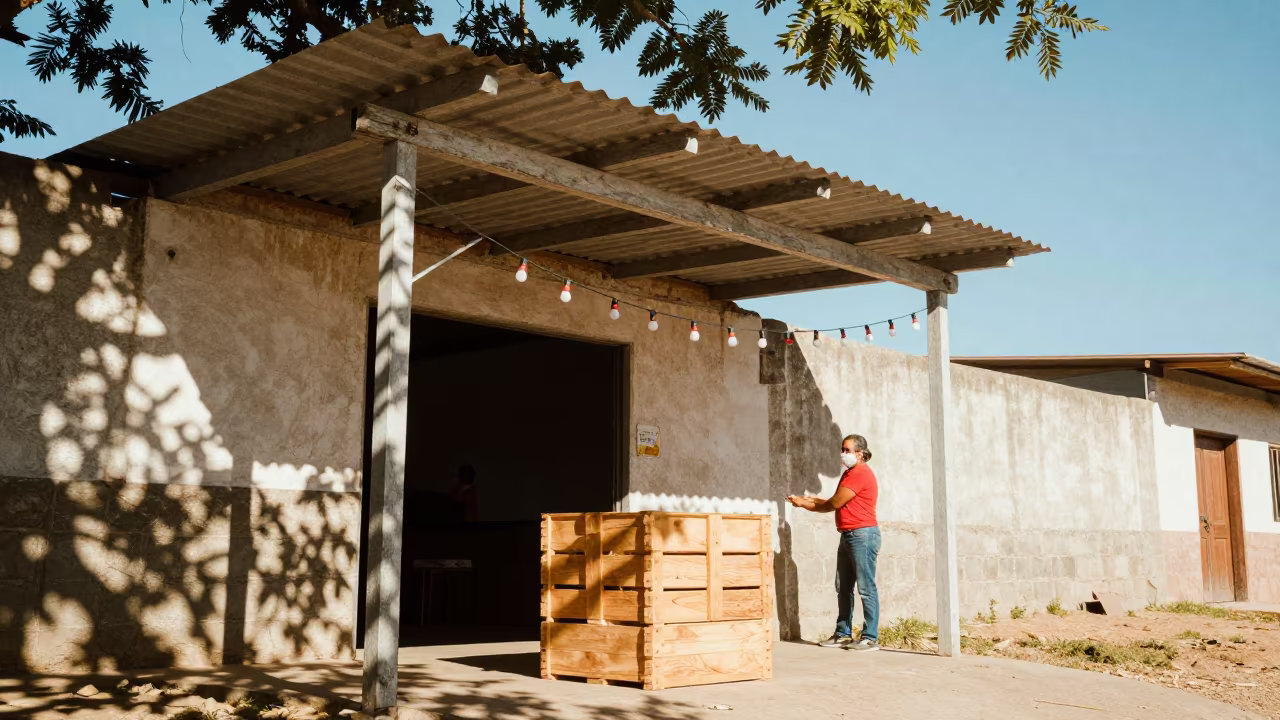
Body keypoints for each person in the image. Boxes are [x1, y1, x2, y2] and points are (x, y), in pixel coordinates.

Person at [787, 434, 881, 651]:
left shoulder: (860, 474)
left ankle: (870, 637)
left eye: (847, 450)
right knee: (844, 587)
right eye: (842, 449)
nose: (843, 454)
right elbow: (834, 501)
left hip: (862, 535)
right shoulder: (849, 474)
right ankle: (843, 633)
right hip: (848, 534)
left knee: (866, 587)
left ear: (860, 453)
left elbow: (833, 504)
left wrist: (805, 504)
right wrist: (807, 499)